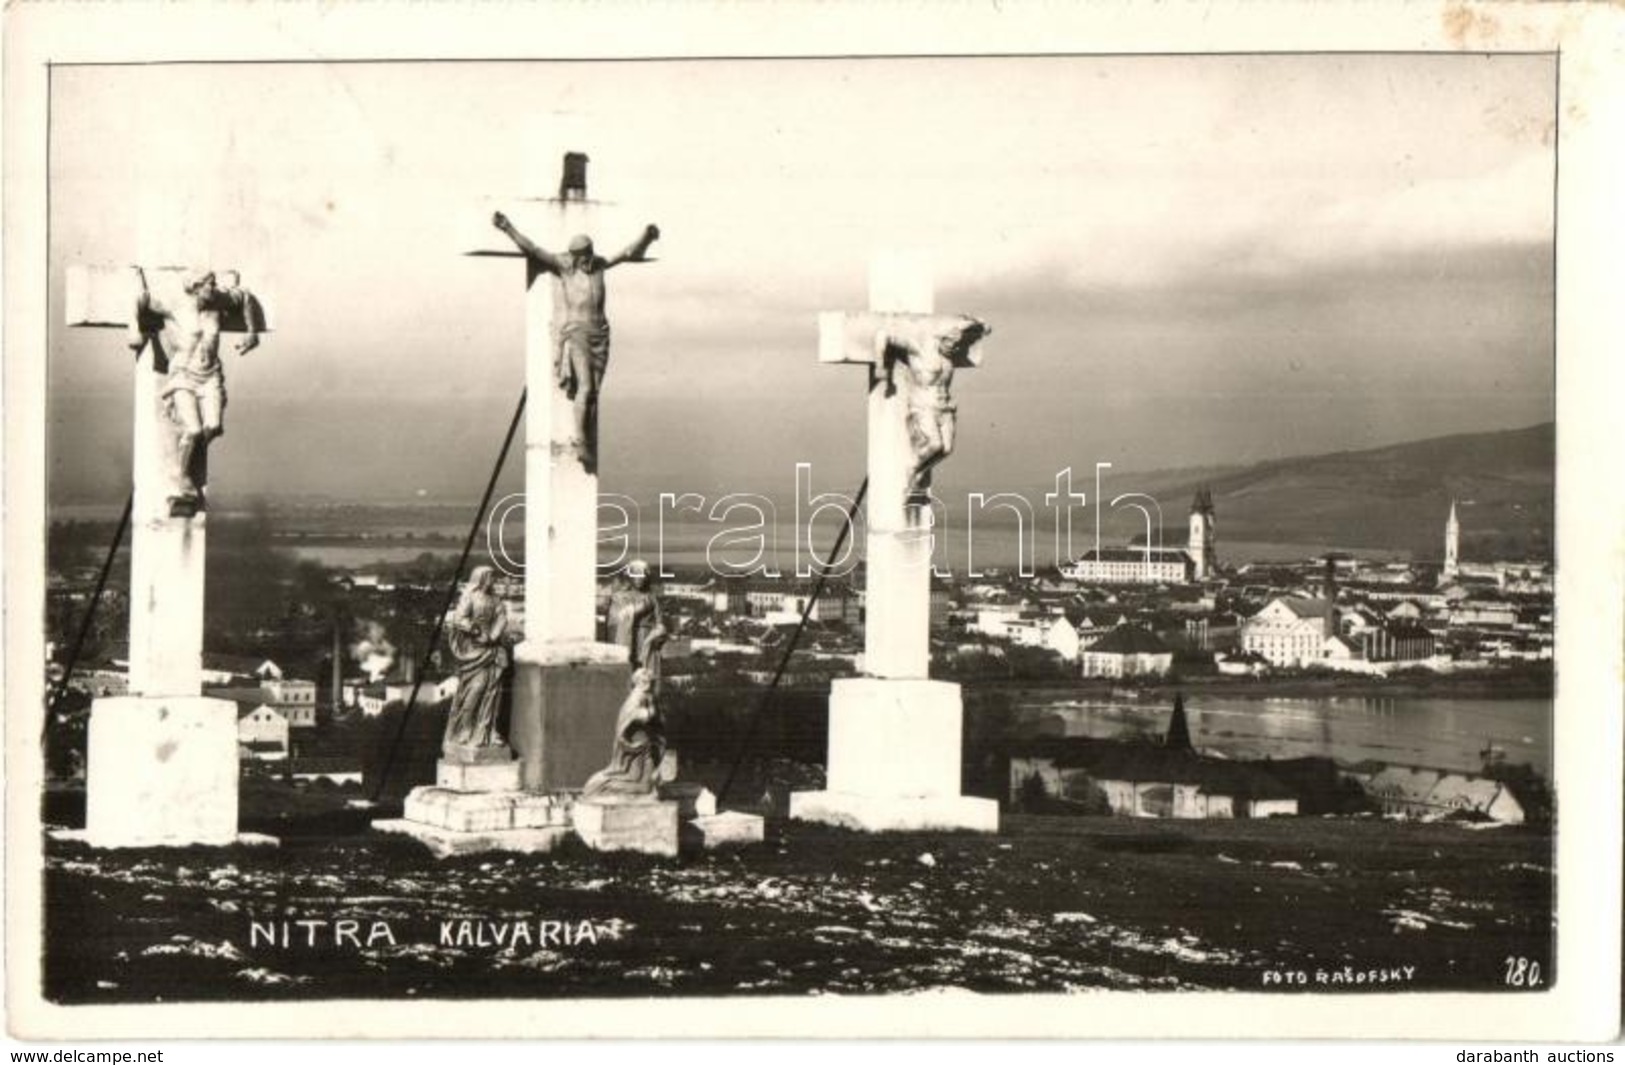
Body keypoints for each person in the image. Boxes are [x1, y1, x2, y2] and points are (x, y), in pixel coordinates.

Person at [491, 212, 660, 474]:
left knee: (594, 392)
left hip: (600, 333)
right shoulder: (565, 266)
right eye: (582, 255)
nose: (587, 259)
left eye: (589, 253)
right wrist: (508, 228)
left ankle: (586, 439)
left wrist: (646, 236)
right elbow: (533, 249)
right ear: (574, 255)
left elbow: (628, 253)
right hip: (577, 332)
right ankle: (581, 441)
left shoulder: (600, 265)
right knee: (586, 386)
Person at [128, 267, 261, 514]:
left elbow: (245, 297)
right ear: (195, 287)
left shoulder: (217, 300)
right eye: (208, 285)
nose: (213, 288)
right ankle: (183, 481)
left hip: (210, 375)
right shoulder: (173, 305)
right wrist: (135, 329)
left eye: (213, 284)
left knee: (214, 427)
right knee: (193, 430)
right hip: (183, 375)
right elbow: (141, 299)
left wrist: (252, 332)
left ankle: (187, 461)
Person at [878, 315, 990, 501]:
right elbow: (884, 335)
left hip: (945, 407)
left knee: (946, 450)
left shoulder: (949, 360)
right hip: (924, 405)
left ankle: (918, 473)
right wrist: (881, 368)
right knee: (935, 445)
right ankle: (911, 470)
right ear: (942, 339)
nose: (954, 348)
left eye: (957, 345)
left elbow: (968, 326)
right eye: (950, 343)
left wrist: (979, 324)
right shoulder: (920, 351)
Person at [441, 566, 513, 752]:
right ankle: (465, 730)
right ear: (480, 579)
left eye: (492, 577)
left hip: (492, 650)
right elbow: (459, 619)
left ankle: (488, 731)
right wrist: (476, 631)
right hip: (474, 651)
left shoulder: (495, 599)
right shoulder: (470, 597)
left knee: (493, 693)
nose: (492, 580)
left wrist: (493, 635)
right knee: (476, 689)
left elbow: (502, 617)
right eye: (489, 577)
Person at [581, 668, 665, 799]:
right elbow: (640, 715)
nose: (649, 684)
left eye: (650, 681)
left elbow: (655, 719)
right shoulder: (637, 697)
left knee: (646, 785)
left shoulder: (645, 695)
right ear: (638, 682)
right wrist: (651, 710)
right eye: (645, 681)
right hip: (638, 747)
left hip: (646, 745)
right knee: (643, 786)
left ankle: (603, 785)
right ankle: (603, 785)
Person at [607, 560, 667, 682]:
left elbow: (660, 622)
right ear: (629, 577)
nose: (639, 579)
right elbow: (615, 621)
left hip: (647, 640)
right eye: (635, 576)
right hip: (627, 640)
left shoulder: (651, 598)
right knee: (628, 674)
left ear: (646, 577)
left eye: (642, 576)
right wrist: (635, 610)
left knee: (647, 677)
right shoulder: (619, 597)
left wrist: (657, 634)